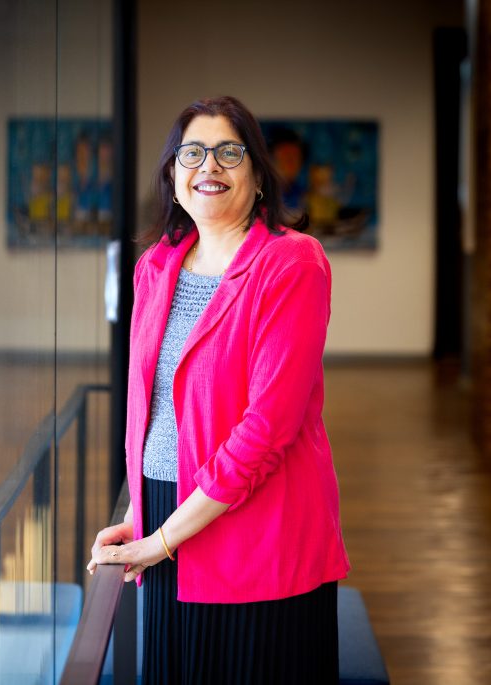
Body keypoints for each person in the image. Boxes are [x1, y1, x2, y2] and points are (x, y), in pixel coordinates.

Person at [88, 96, 350, 683]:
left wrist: (162, 538)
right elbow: (153, 409)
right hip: (167, 517)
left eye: (230, 153)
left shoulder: (291, 263)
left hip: (259, 539)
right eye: (192, 153)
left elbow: (267, 429)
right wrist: (142, 513)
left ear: (258, 176)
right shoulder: (156, 266)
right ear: (173, 177)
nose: (209, 166)